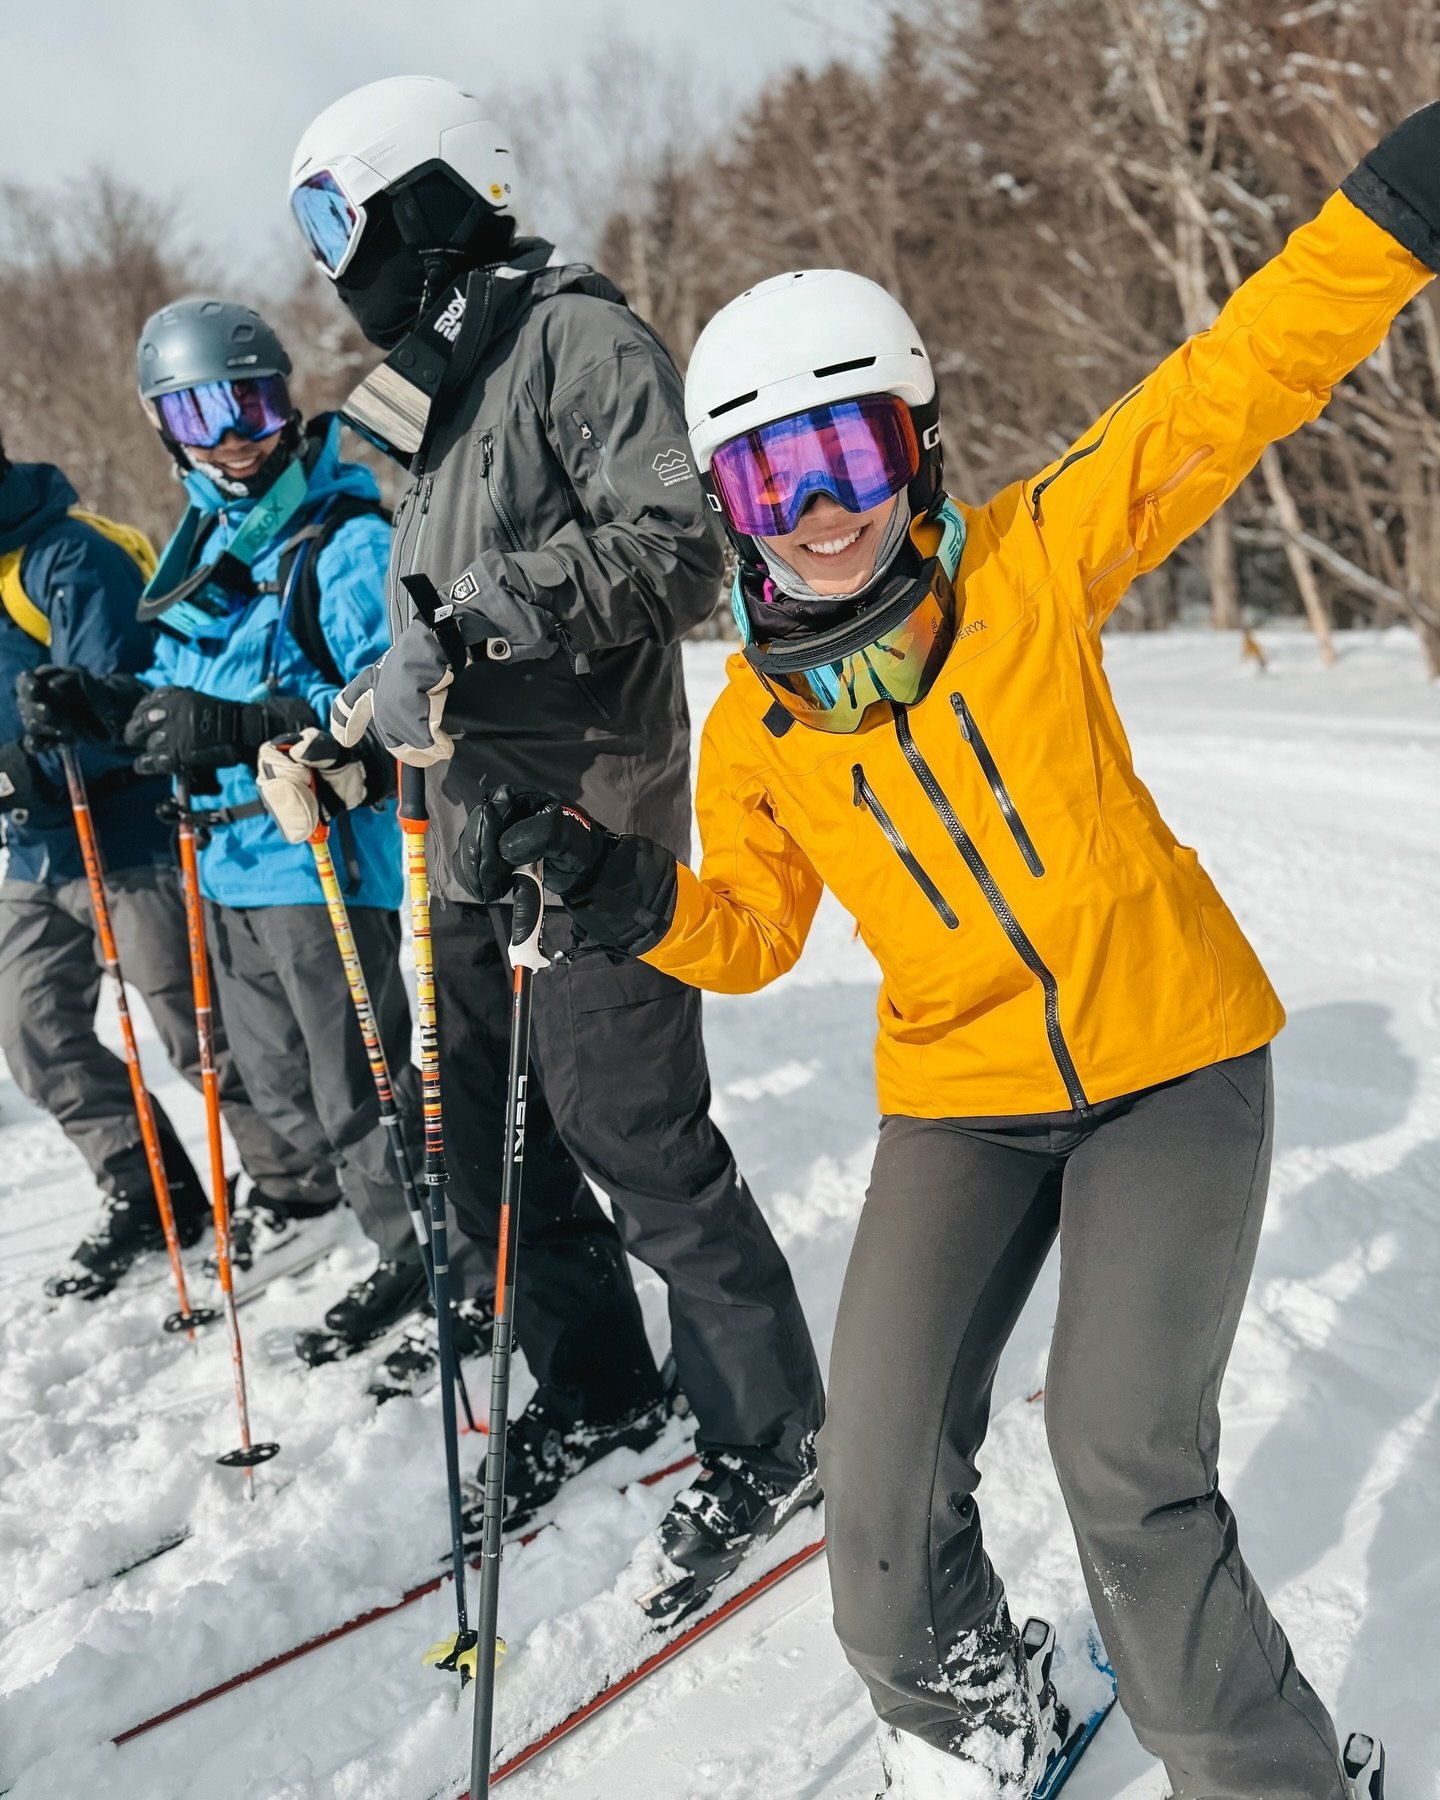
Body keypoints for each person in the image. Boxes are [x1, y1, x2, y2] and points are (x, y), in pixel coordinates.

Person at [449, 103, 1440, 1800]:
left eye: (849, 457)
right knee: (882, 1475)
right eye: (772, 477)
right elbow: (751, 935)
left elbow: (1238, 379)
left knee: (1119, 1455)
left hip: (1172, 1069)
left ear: (915, 447)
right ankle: (979, 1719)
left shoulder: (1036, 563)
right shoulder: (758, 723)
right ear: (730, 502)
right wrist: (620, 891)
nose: (820, 513)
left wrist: (1395, 213)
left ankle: (1272, 1780)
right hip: (962, 1103)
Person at [287, 75, 826, 1562]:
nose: (334, 263)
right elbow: (419, 626)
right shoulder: (441, 395)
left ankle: (774, 1430)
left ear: (433, 198)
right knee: (476, 1135)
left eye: (342, 216)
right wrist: (352, 731)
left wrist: (481, 617)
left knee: (633, 1136)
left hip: (595, 823)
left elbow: (681, 548)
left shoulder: (573, 336)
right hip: (465, 832)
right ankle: (596, 1382)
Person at [21, 299, 428, 1362]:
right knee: (279, 1091)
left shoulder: (344, 540)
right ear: (167, 429)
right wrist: (105, 708)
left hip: (320, 862)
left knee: (361, 1094)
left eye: (252, 402)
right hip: (230, 866)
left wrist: (255, 723)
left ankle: (432, 1265)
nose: (236, 436)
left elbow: (396, 697)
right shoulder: (203, 550)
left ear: (287, 400)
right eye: (203, 413)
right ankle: (367, 1229)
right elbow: (173, 690)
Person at [1, 429, 320, 1298]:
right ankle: (152, 1197)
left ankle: (295, 1187)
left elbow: (125, 708)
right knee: (35, 1031)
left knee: (197, 1031)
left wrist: (18, 770)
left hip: (127, 840)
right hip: (36, 852)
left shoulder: (68, 555)